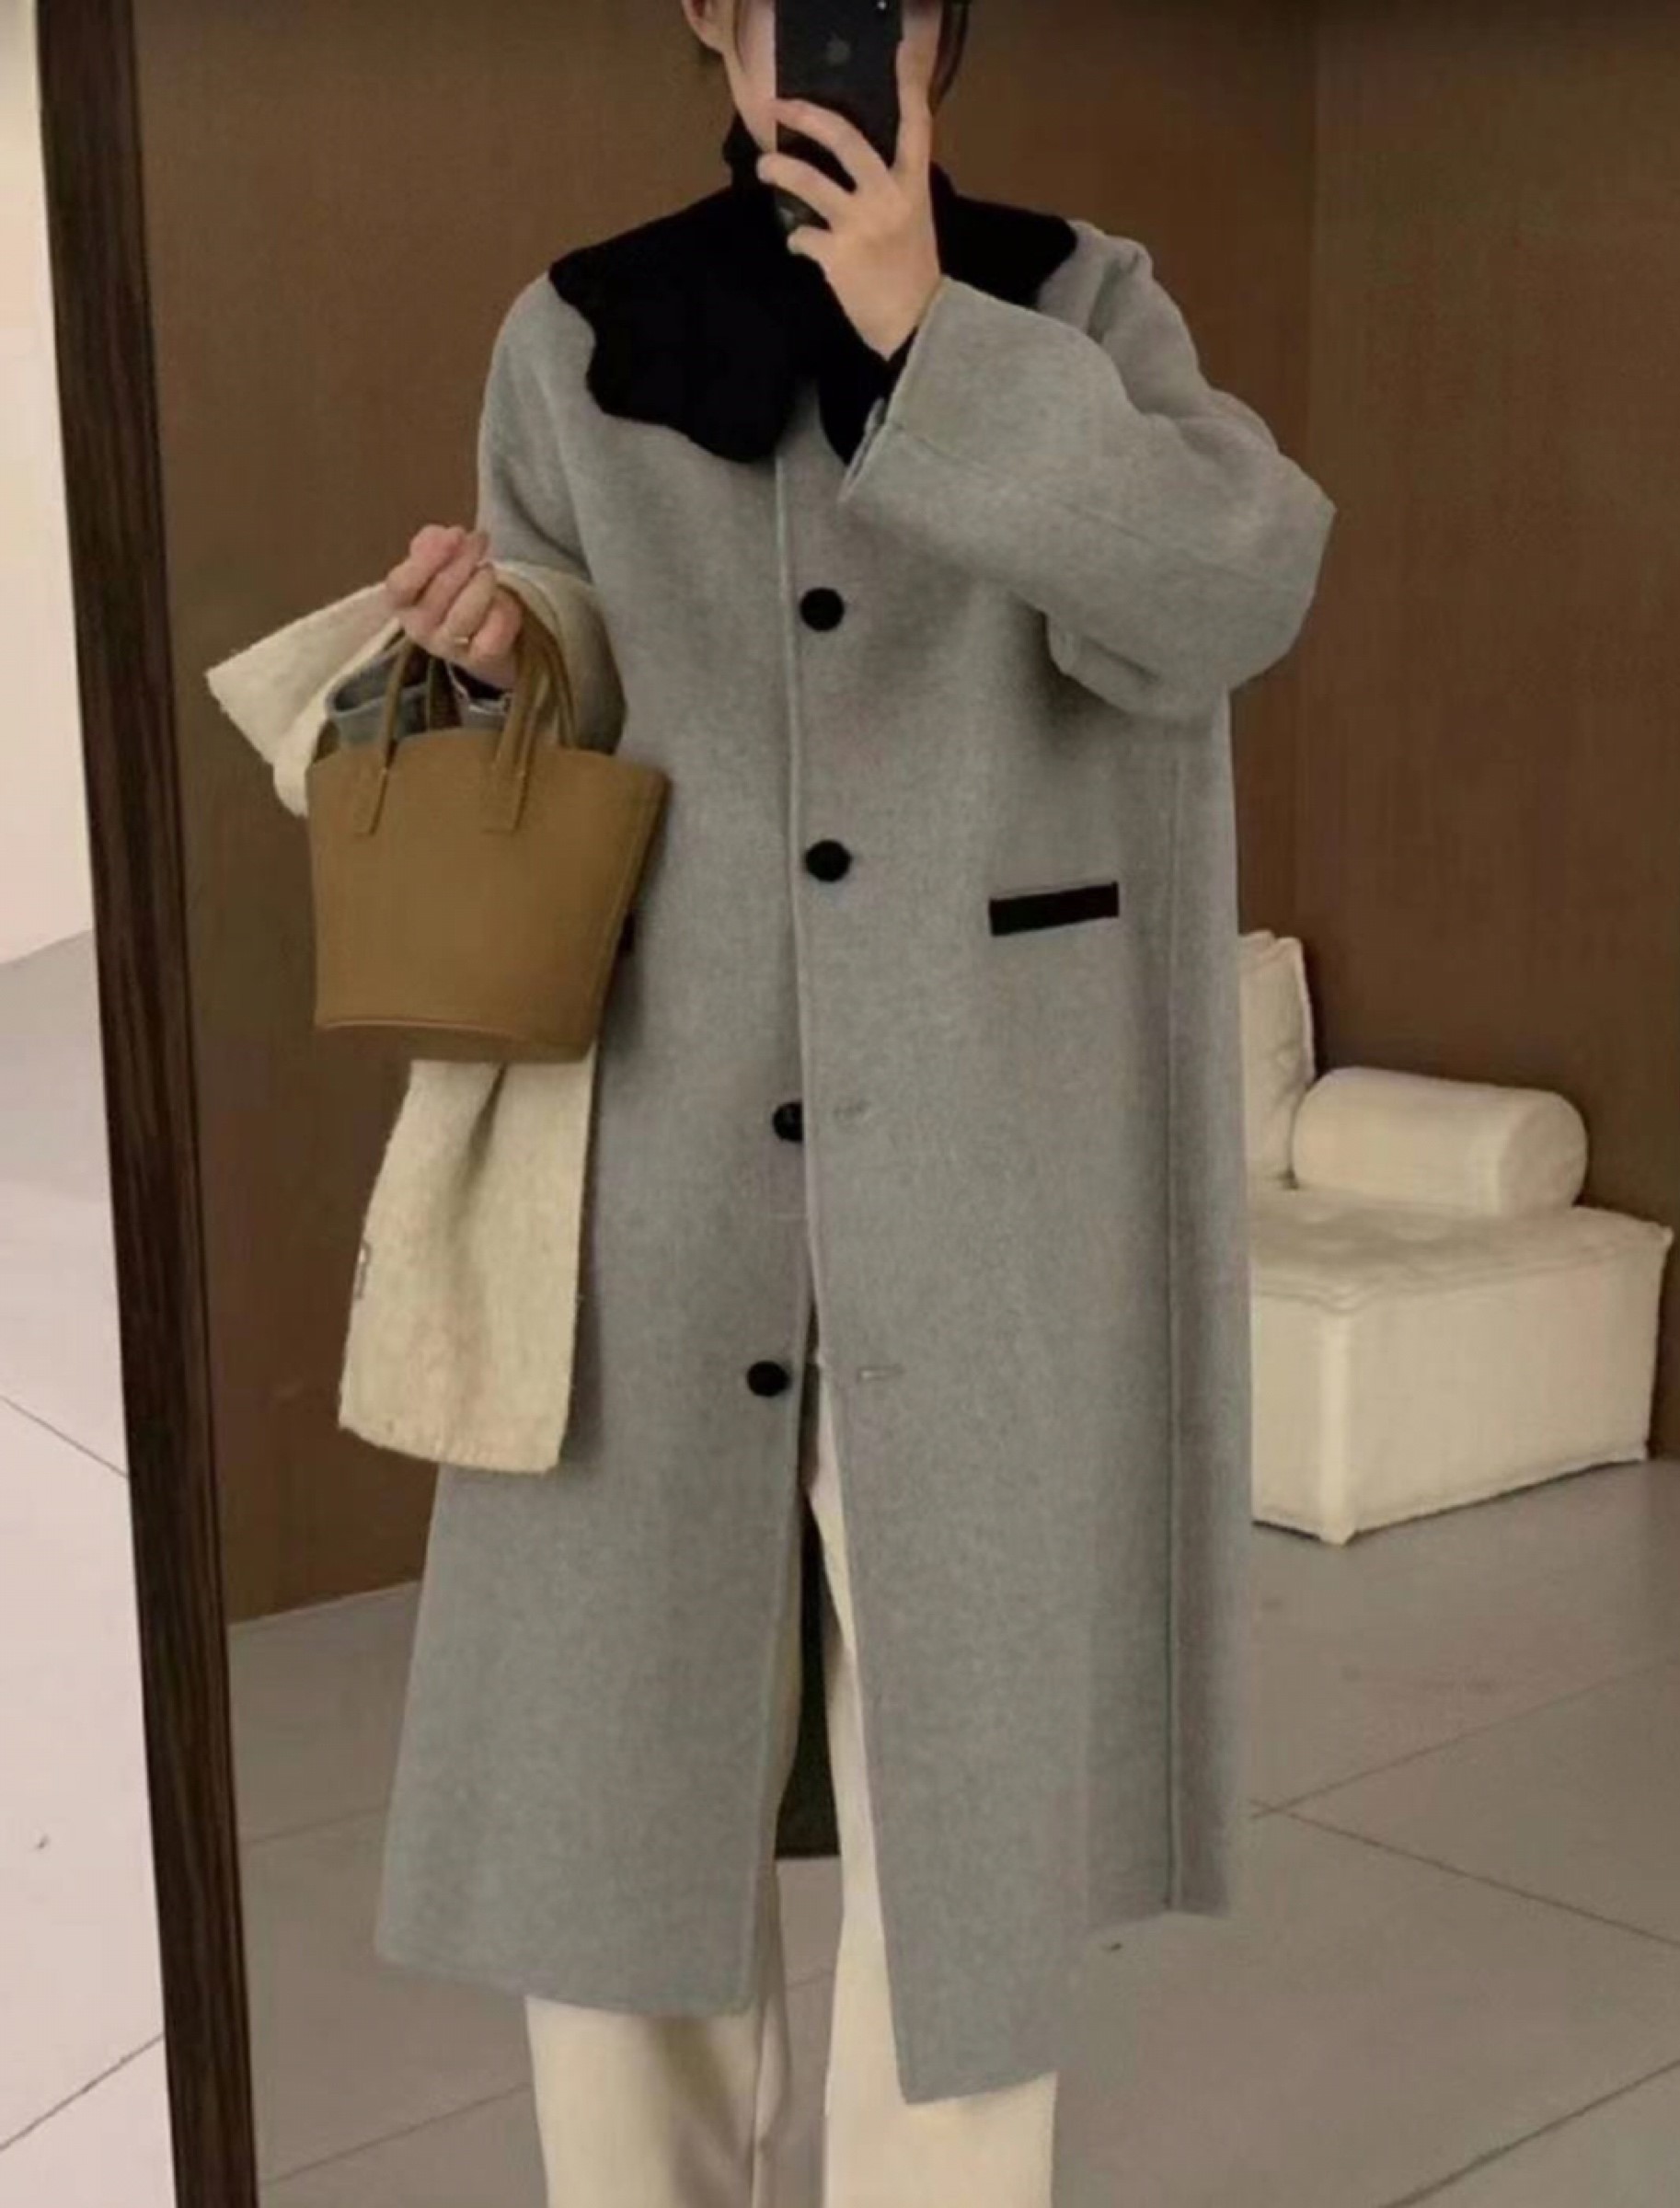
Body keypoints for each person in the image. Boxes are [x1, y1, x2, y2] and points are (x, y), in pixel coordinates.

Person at [366, 2, 1337, 2202]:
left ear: (938, 28)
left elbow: (1239, 582)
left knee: (967, 1813)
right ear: (703, 19)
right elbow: (565, 739)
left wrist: (933, 339)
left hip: (991, 1176)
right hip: (652, 1163)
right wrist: (503, 656)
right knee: (617, 1796)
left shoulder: (1074, 300)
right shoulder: (573, 337)